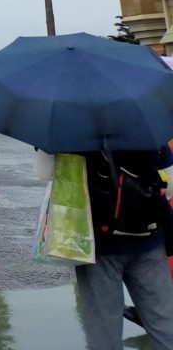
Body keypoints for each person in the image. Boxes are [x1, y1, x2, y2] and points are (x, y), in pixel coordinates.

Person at [74, 148, 173, 349]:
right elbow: (169, 182)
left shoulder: (72, 128)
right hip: (148, 238)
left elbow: (44, 172)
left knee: (104, 331)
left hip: (97, 244)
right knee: (165, 324)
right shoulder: (146, 124)